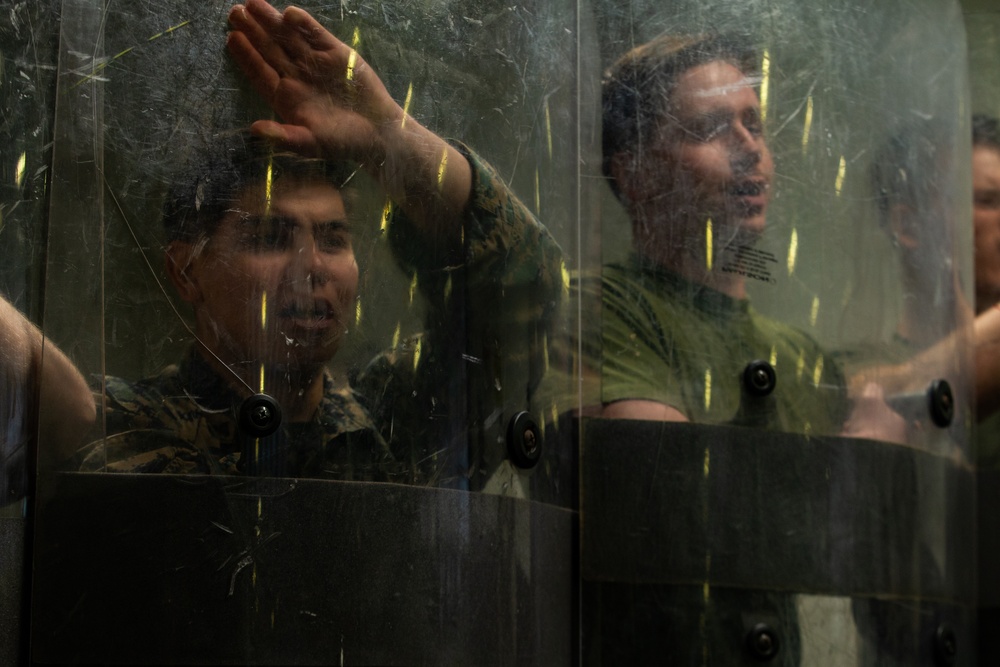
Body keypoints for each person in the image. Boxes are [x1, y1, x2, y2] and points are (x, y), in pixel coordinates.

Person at [9, 0, 560, 484]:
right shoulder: (121, 425)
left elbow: (526, 288)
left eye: (333, 238)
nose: (310, 267)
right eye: (270, 237)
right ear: (185, 271)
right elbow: (47, 421)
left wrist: (389, 139)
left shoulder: (398, 421)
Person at [592, 33, 848, 434]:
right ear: (636, 173)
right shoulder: (599, 307)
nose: (750, 148)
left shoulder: (802, 353)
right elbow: (666, 481)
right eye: (711, 128)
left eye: (754, 125)